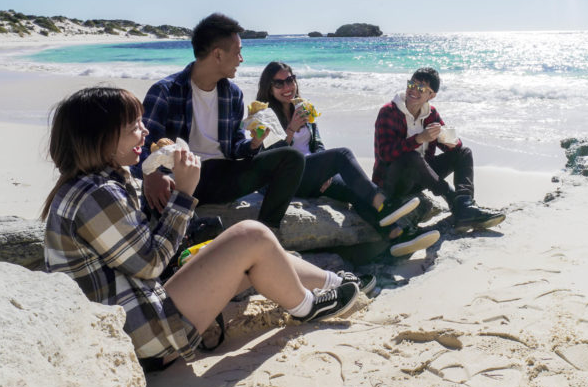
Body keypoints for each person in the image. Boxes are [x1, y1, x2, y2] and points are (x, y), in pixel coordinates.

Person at [43, 87, 366, 370]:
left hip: (137, 314)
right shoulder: (97, 195)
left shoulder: (92, 185)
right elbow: (151, 264)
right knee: (251, 235)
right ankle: (307, 307)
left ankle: (335, 283)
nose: (145, 133)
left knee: (251, 252)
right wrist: (184, 195)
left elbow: (137, 258)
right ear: (101, 139)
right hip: (141, 336)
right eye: (134, 127)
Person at [137, 13, 303, 230]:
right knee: (156, 202)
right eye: (238, 52)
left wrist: (253, 144)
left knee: (292, 158)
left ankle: (268, 230)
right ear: (218, 54)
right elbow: (141, 145)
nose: (241, 59)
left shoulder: (233, 94)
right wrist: (151, 175)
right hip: (181, 180)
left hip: (222, 176)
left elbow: (234, 147)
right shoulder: (165, 91)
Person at [257, 62, 439, 257]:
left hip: (311, 175)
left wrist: (325, 171)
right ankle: (383, 202)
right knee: (342, 154)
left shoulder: (302, 107)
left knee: (356, 191)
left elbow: (317, 145)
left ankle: (397, 235)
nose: (286, 87)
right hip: (287, 178)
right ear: (269, 87)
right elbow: (269, 158)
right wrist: (291, 130)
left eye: (290, 80)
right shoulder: (264, 116)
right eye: (279, 83)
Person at [373, 67, 506, 233]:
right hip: (393, 182)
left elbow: (450, 143)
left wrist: (452, 142)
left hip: (422, 179)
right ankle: (453, 200)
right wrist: (419, 139)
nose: (413, 90)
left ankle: (464, 202)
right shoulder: (389, 111)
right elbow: (384, 154)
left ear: (431, 95)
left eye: (421, 88)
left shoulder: (430, 113)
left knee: (464, 152)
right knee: (412, 157)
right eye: (411, 84)